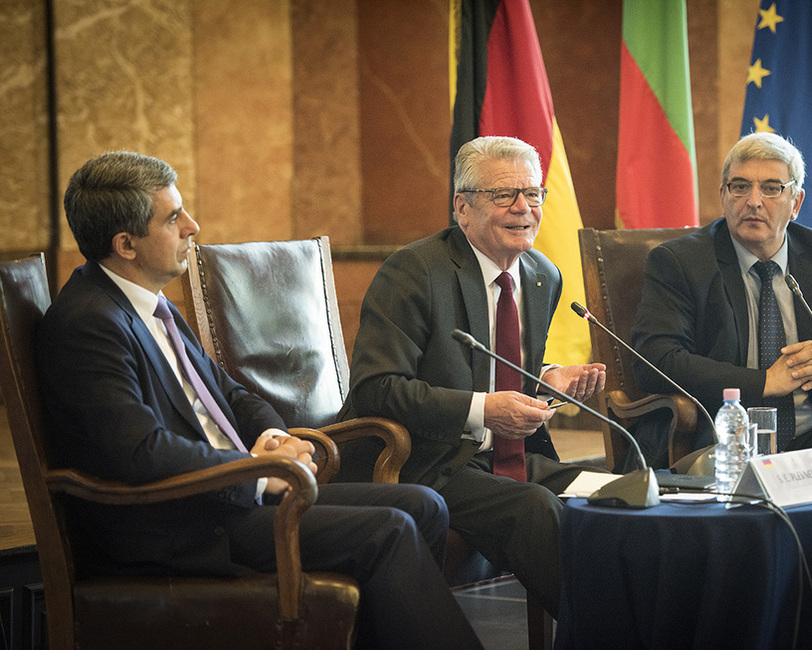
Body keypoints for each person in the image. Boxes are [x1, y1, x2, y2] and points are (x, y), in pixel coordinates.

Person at [36, 151, 482, 649]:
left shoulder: (148, 302)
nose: (192, 225)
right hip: (179, 527)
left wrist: (274, 436)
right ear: (126, 244)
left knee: (424, 505)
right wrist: (252, 469)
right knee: (390, 529)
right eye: (172, 217)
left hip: (223, 497)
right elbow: (139, 451)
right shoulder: (89, 323)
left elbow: (228, 393)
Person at [336, 136, 606, 617]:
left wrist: (545, 380)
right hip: (427, 459)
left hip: (509, 455)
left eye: (535, 193)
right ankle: (608, 635)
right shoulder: (414, 271)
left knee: (617, 491)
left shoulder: (542, 274)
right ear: (462, 207)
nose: (524, 208)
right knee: (534, 510)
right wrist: (485, 409)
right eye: (505, 195)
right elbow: (376, 389)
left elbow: (494, 364)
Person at [629, 132, 812, 469]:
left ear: (795, 202)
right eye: (739, 187)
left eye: (771, 188)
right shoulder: (681, 262)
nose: (753, 201)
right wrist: (765, 382)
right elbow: (654, 359)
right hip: (725, 445)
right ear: (723, 196)